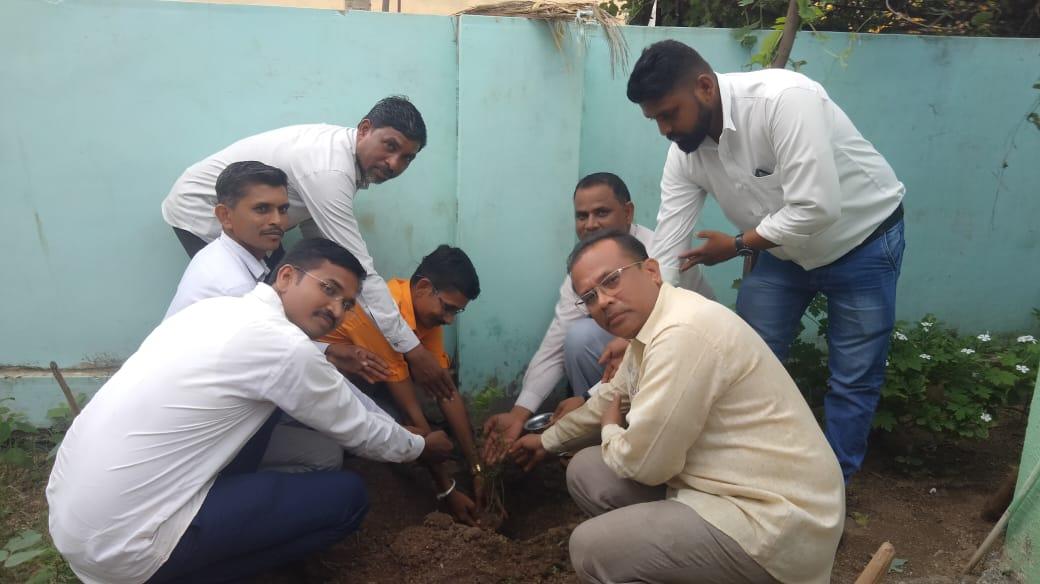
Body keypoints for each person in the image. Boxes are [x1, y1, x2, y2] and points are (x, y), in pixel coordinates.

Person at [47, 238, 454, 584]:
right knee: (347, 498)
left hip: (75, 516)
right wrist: (420, 447)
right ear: (286, 276)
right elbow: (360, 428)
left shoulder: (217, 310)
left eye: (347, 303)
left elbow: (340, 399)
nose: (335, 308)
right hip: (128, 547)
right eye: (328, 289)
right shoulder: (283, 348)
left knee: (299, 438)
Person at [628, 40, 906, 481]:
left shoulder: (784, 100)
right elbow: (666, 251)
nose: (663, 129)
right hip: (780, 252)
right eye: (654, 120)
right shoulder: (686, 154)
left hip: (862, 241)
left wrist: (738, 245)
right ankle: (753, 472)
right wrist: (638, 332)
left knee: (853, 376)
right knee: (748, 357)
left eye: (668, 114)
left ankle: (831, 489)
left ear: (704, 87)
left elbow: (816, 207)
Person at [509, 230, 845, 584]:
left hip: (773, 521)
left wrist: (610, 429)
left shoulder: (682, 333)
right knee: (587, 470)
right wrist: (547, 441)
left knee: (591, 549)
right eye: (589, 297)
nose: (603, 301)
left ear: (652, 271)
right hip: (724, 486)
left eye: (611, 280)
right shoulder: (652, 327)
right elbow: (610, 398)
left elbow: (646, 465)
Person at [161, 95, 456, 400]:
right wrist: (414, 350)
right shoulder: (329, 171)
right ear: (365, 129)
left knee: (286, 300)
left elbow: (323, 241)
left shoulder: (341, 161)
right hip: (200, 208)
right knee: (260, 319)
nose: (395, 164)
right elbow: (363, 273)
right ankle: (254, 397)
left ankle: (297, 384)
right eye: (390, 146)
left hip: (238, 213)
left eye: (407, 158)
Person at [482, 172, 713, 461]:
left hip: (685, 357)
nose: (591, 224)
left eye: (601, 212)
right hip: (632, 366)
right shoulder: (585, 269)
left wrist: (587, 399)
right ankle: (596, 440)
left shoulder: (660, 254)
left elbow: (659, 333)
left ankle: (627, 436)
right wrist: (519, 413)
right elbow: (556, 340)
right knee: (578, 337)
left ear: (628, 212)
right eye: (582, 216)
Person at [321, 245, 485, 525]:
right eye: (447, 308)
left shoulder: (423, 314)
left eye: (457, 312)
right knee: (402, 423)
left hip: (366, 386)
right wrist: (448, 489)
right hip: (324, 391)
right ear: (423, 287)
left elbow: (445, 391)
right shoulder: (379, 315)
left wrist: (477, 467)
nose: (449, 319)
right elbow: (411, 413)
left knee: (408, 421)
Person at [164, 161, 289, 319]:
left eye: (283, 209)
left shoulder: (218, 253)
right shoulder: (235, 289)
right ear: (225, 216)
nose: (277, 220)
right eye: (262, 209)